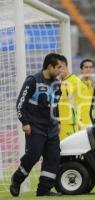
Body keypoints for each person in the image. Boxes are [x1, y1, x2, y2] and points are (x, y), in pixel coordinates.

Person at [10, 53, 63, 197]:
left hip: (51, 128)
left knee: (53, 158)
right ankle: (16, 180)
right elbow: (20, 104)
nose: (60, 71)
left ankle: (43, 191)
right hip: (35, 127)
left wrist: (57, 121)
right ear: (50, 66)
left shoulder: (57, 84)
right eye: (58, 67)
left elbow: (55, 105)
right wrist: (25, 122)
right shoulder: (32, 80)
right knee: (33, 155)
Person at [58, 55, 87, 140]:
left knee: (70, 150)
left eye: (60, 67)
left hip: (70, 122)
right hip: (60, 122)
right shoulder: (61, 82)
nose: (58, 70)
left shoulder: (74, 81)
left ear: (65, 67)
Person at [78, 58, 95, 128]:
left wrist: (93, 84)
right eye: (86, 67)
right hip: (79, 121)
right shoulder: (76, 82)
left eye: (90, 67)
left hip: (89, 120)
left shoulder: (91, 84)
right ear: (81, 70)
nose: (88, 69)